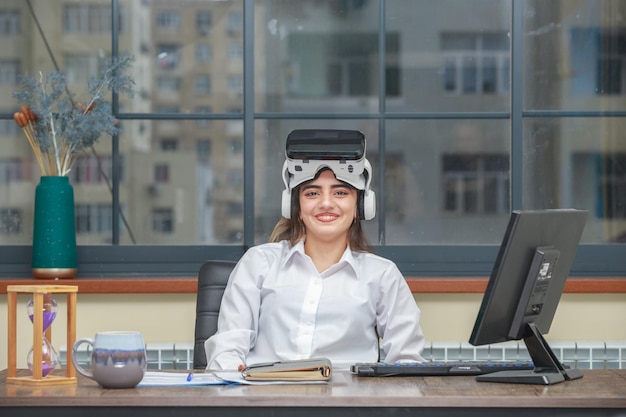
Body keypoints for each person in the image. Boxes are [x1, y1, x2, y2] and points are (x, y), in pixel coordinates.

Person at [204, 134, 425, 370]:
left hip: (348, 402)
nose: (326, 203)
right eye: (312, 193)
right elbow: (227, 351)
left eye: (340, 193)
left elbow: (406, 362)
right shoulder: (258, 263)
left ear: (360, 207)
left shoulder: (382, 275)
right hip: (267, 398)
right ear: (295, 207)